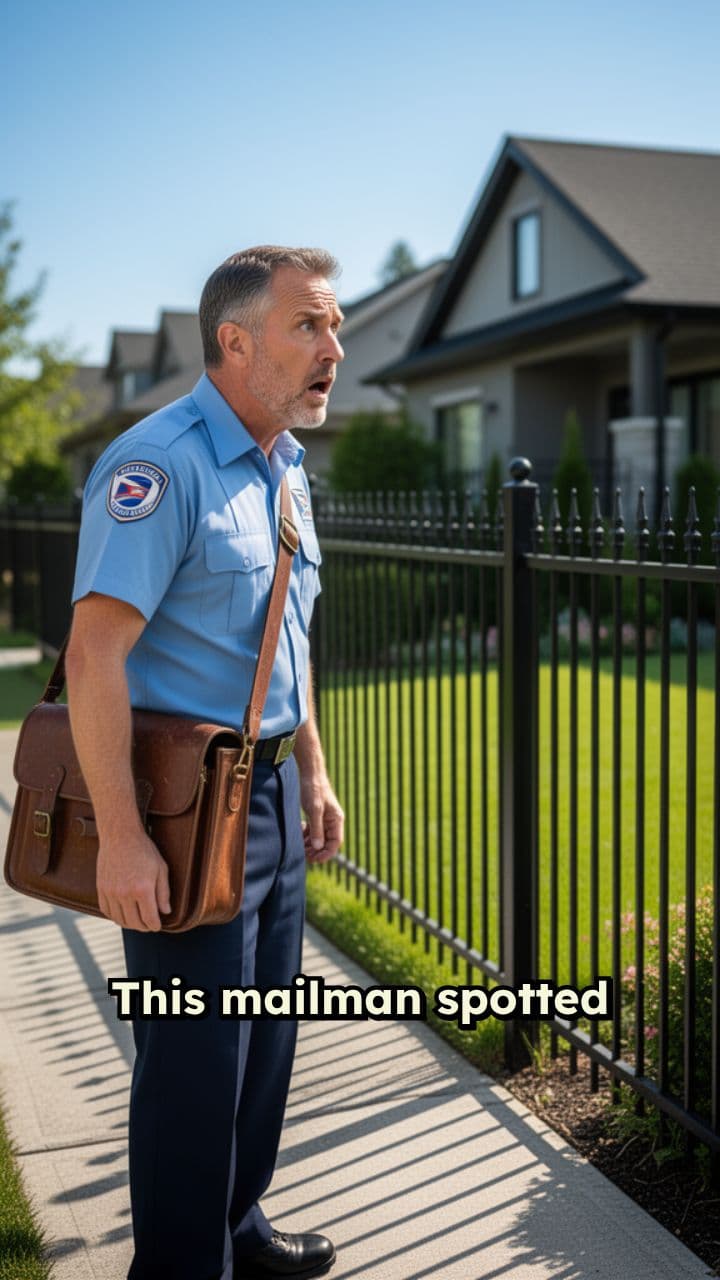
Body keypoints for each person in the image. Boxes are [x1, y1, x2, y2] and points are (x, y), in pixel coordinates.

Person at [65, 246, 346, 1280]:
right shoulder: (158, 463)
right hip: (182, 808)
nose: (335, 349)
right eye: (309, 326)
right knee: (193, 1064)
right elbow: (94, 655)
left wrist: (308, 767)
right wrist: (124, 837)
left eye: (336, 326)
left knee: (264, 1043)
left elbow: (284, 641)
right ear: (236, 341)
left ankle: (237, 1225)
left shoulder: (284, 463)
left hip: (269, 794)